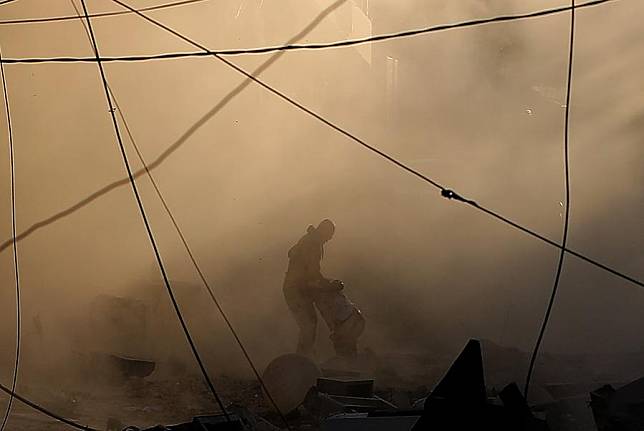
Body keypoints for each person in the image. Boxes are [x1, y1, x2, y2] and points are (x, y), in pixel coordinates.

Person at [283, 219, 336, 357]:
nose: (329, 239)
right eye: (329, 235)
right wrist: (329, 285)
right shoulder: (313, 244)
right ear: (324, 231)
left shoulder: (310, 240)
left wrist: (324, 283)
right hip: (296, 290)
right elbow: (312, 272)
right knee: (309, 325)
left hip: (297, 288)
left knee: (310, 324)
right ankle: (302, 360)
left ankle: (305, 357)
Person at [314, 280, 365, 358]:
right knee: (347, 343)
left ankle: (349, 358)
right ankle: (350, 358)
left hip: (352, 320)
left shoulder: (332, 300)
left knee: (345, 343)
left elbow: (335, 319)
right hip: (354, 319)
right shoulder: (334, 298)